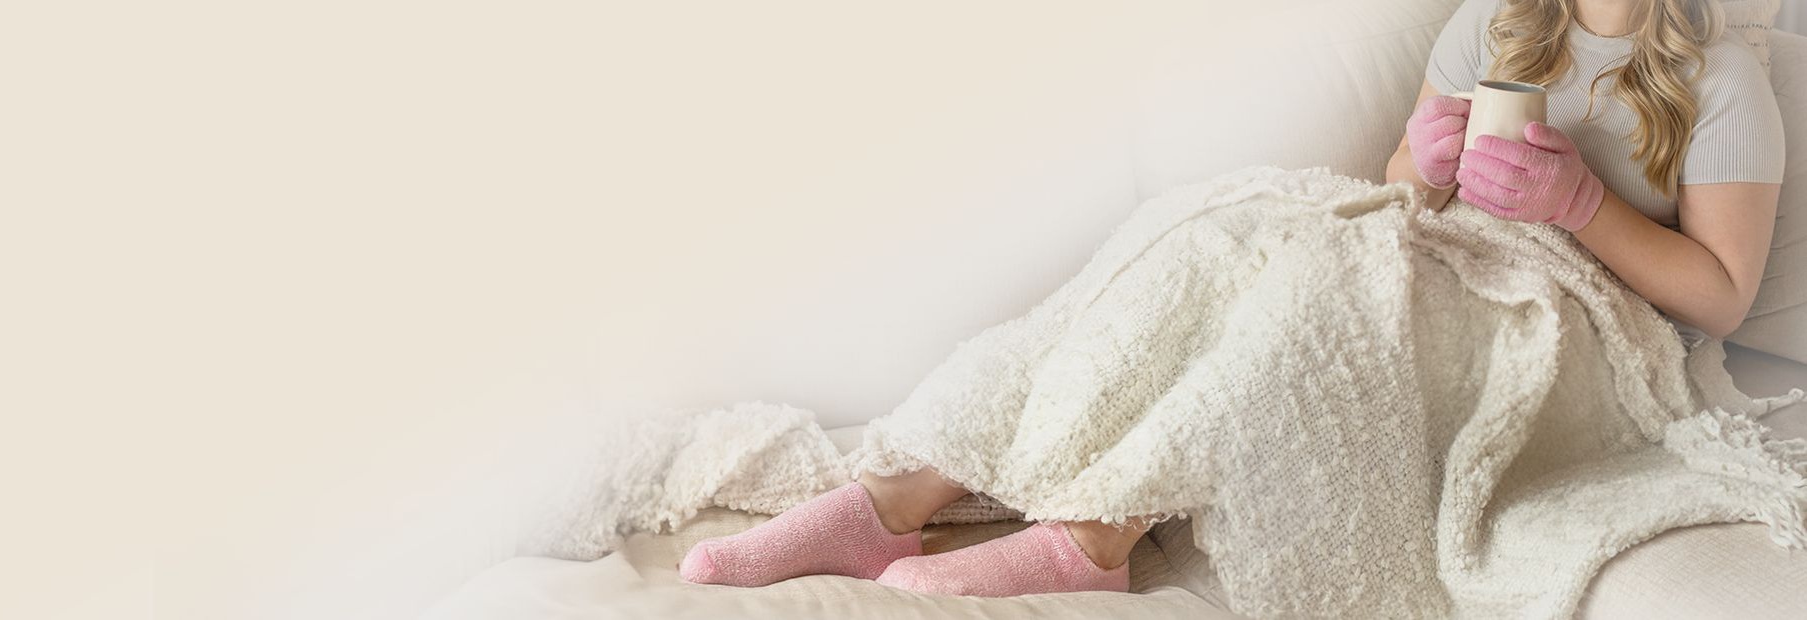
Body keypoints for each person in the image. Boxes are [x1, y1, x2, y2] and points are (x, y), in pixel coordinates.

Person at [677, 0, 1784, 598]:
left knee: (1320, 308)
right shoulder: (1496, 24)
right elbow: (1403, 185)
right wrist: (1428, 158)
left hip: (1572, 330)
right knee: (1210, 242)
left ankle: (1094, 540)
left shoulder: (1724, 80)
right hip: (1444, 254)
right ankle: (896, 496)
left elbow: (1722, 295)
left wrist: (1582, 204)